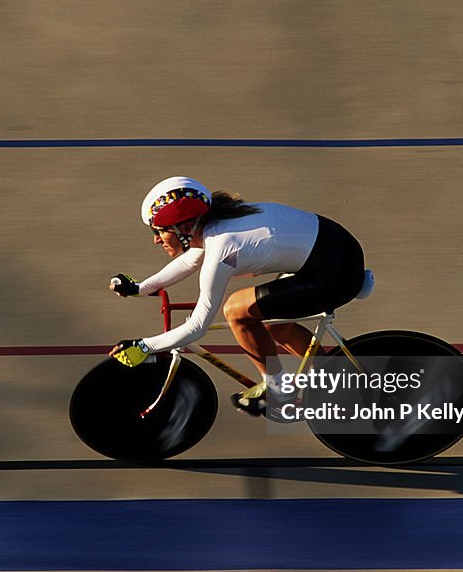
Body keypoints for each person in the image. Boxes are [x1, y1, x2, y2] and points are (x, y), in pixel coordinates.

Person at [108, 176, 366, 421]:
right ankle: (333, 377)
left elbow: (197, 327)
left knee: (237, 310)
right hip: (334, 253)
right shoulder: (215, 225)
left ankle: (278, 392)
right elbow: (192, 259)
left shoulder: (223, 247)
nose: (156, 240)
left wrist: (145, 346)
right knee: (272, 321)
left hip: (335, 273)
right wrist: (140, 287)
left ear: (185, 228)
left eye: (160, 231)